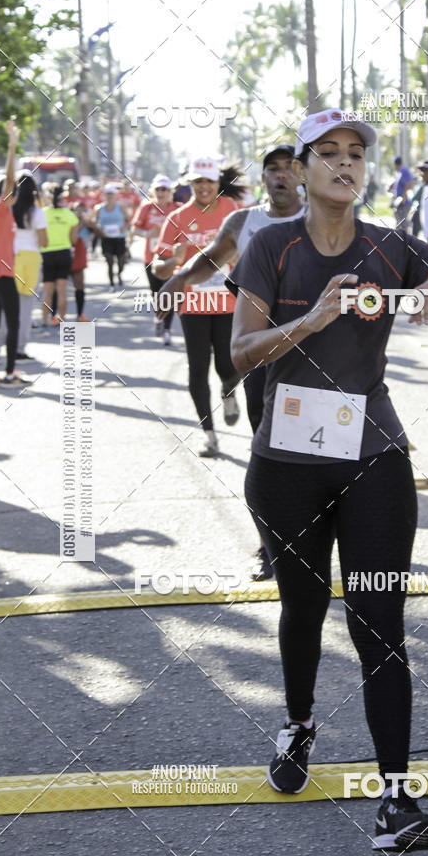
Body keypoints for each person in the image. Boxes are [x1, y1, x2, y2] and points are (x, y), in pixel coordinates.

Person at [227, 107, 428, 852]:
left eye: (357, 153)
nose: (345, 164)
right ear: (303, 167)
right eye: (330, 153)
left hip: (373, 454)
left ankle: (396, 802)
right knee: (303, 606)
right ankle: (298, 723)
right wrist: (312, 319)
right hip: (285, 462)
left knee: (379, 622)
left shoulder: (389, 245)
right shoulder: (269, 246)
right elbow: (241, 354)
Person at [157, 144, 305, 579]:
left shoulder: (325, 216)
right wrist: (179, 280)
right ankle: (271, 545)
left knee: (323, 451)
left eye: (289, 168)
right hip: (261, 352)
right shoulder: (244, 221)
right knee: (267, 454)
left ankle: (324, 537)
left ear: (302, 174)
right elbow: (211, 259)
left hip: (318, 356)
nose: (280, 176)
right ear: (262, 179)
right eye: (271, 169)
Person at [152, 157, 245, 457]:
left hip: (228, 302)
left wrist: (239, 260)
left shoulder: (233, 211)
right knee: (198, 369)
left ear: (218, 183)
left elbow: (254, 249)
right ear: (189, 184)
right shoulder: (177, 218)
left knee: (227, 366)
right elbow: (158, 268)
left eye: (209, 181)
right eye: (198, 182)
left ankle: (228, 392)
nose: (204, 187)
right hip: (192, 305)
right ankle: (209, 435)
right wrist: (173, 260)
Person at [0, 119, 30, 386]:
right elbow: (9, 181)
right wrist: (12, 146)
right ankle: (11, 373)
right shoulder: (1, 209)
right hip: (1, 274)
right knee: (12, 323)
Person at [0, 172, 47, 360]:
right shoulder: (37, 212)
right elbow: (44, 241)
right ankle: (19, 348)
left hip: (10, 258)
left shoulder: (6, 210)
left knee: (2, 305)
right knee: (25, 306)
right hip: (31, 259)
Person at [130, 174, 177, 344]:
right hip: (151, 258)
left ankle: (167, 329)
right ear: (153, 191)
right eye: (158, 189)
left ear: (170, 192)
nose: (161, 192)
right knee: (156, 293)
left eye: (164, 189)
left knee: (170, 294)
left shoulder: (177, 208)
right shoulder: (146, 208)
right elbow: (134, 229)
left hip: (171, 259)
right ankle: (158, 317)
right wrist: (146, 234)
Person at [40, 184, 79, 326]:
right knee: (62, 290)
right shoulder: (70, 214)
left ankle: (44, 321)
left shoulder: (42, 213)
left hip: (47, 254)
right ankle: (61, 319)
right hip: (64, 253)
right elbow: (74, 240)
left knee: (47, 291)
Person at [94, 183, 128, 290]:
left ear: (115, 195)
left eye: (111, 194)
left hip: (119, 237)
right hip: (106, 238)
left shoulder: (121, 207)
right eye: (107, 194)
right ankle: (112, 283)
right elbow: (96, 223)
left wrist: (124, 228)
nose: (109, 196)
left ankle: (119, 274)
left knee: (121, 261)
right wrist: (100, 229)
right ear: (104, 195)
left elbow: (128, 220)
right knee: (109, 261)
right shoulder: (99, 208)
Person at [390, 156, 414, 232]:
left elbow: (410, 183)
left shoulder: (404, 170)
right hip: (398, 201)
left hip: (404, 202)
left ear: (395, 164)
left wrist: (404, 198)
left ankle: (405, 241)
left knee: (403, 223)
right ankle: (398, 239)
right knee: (398, 221)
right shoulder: (399, 172)